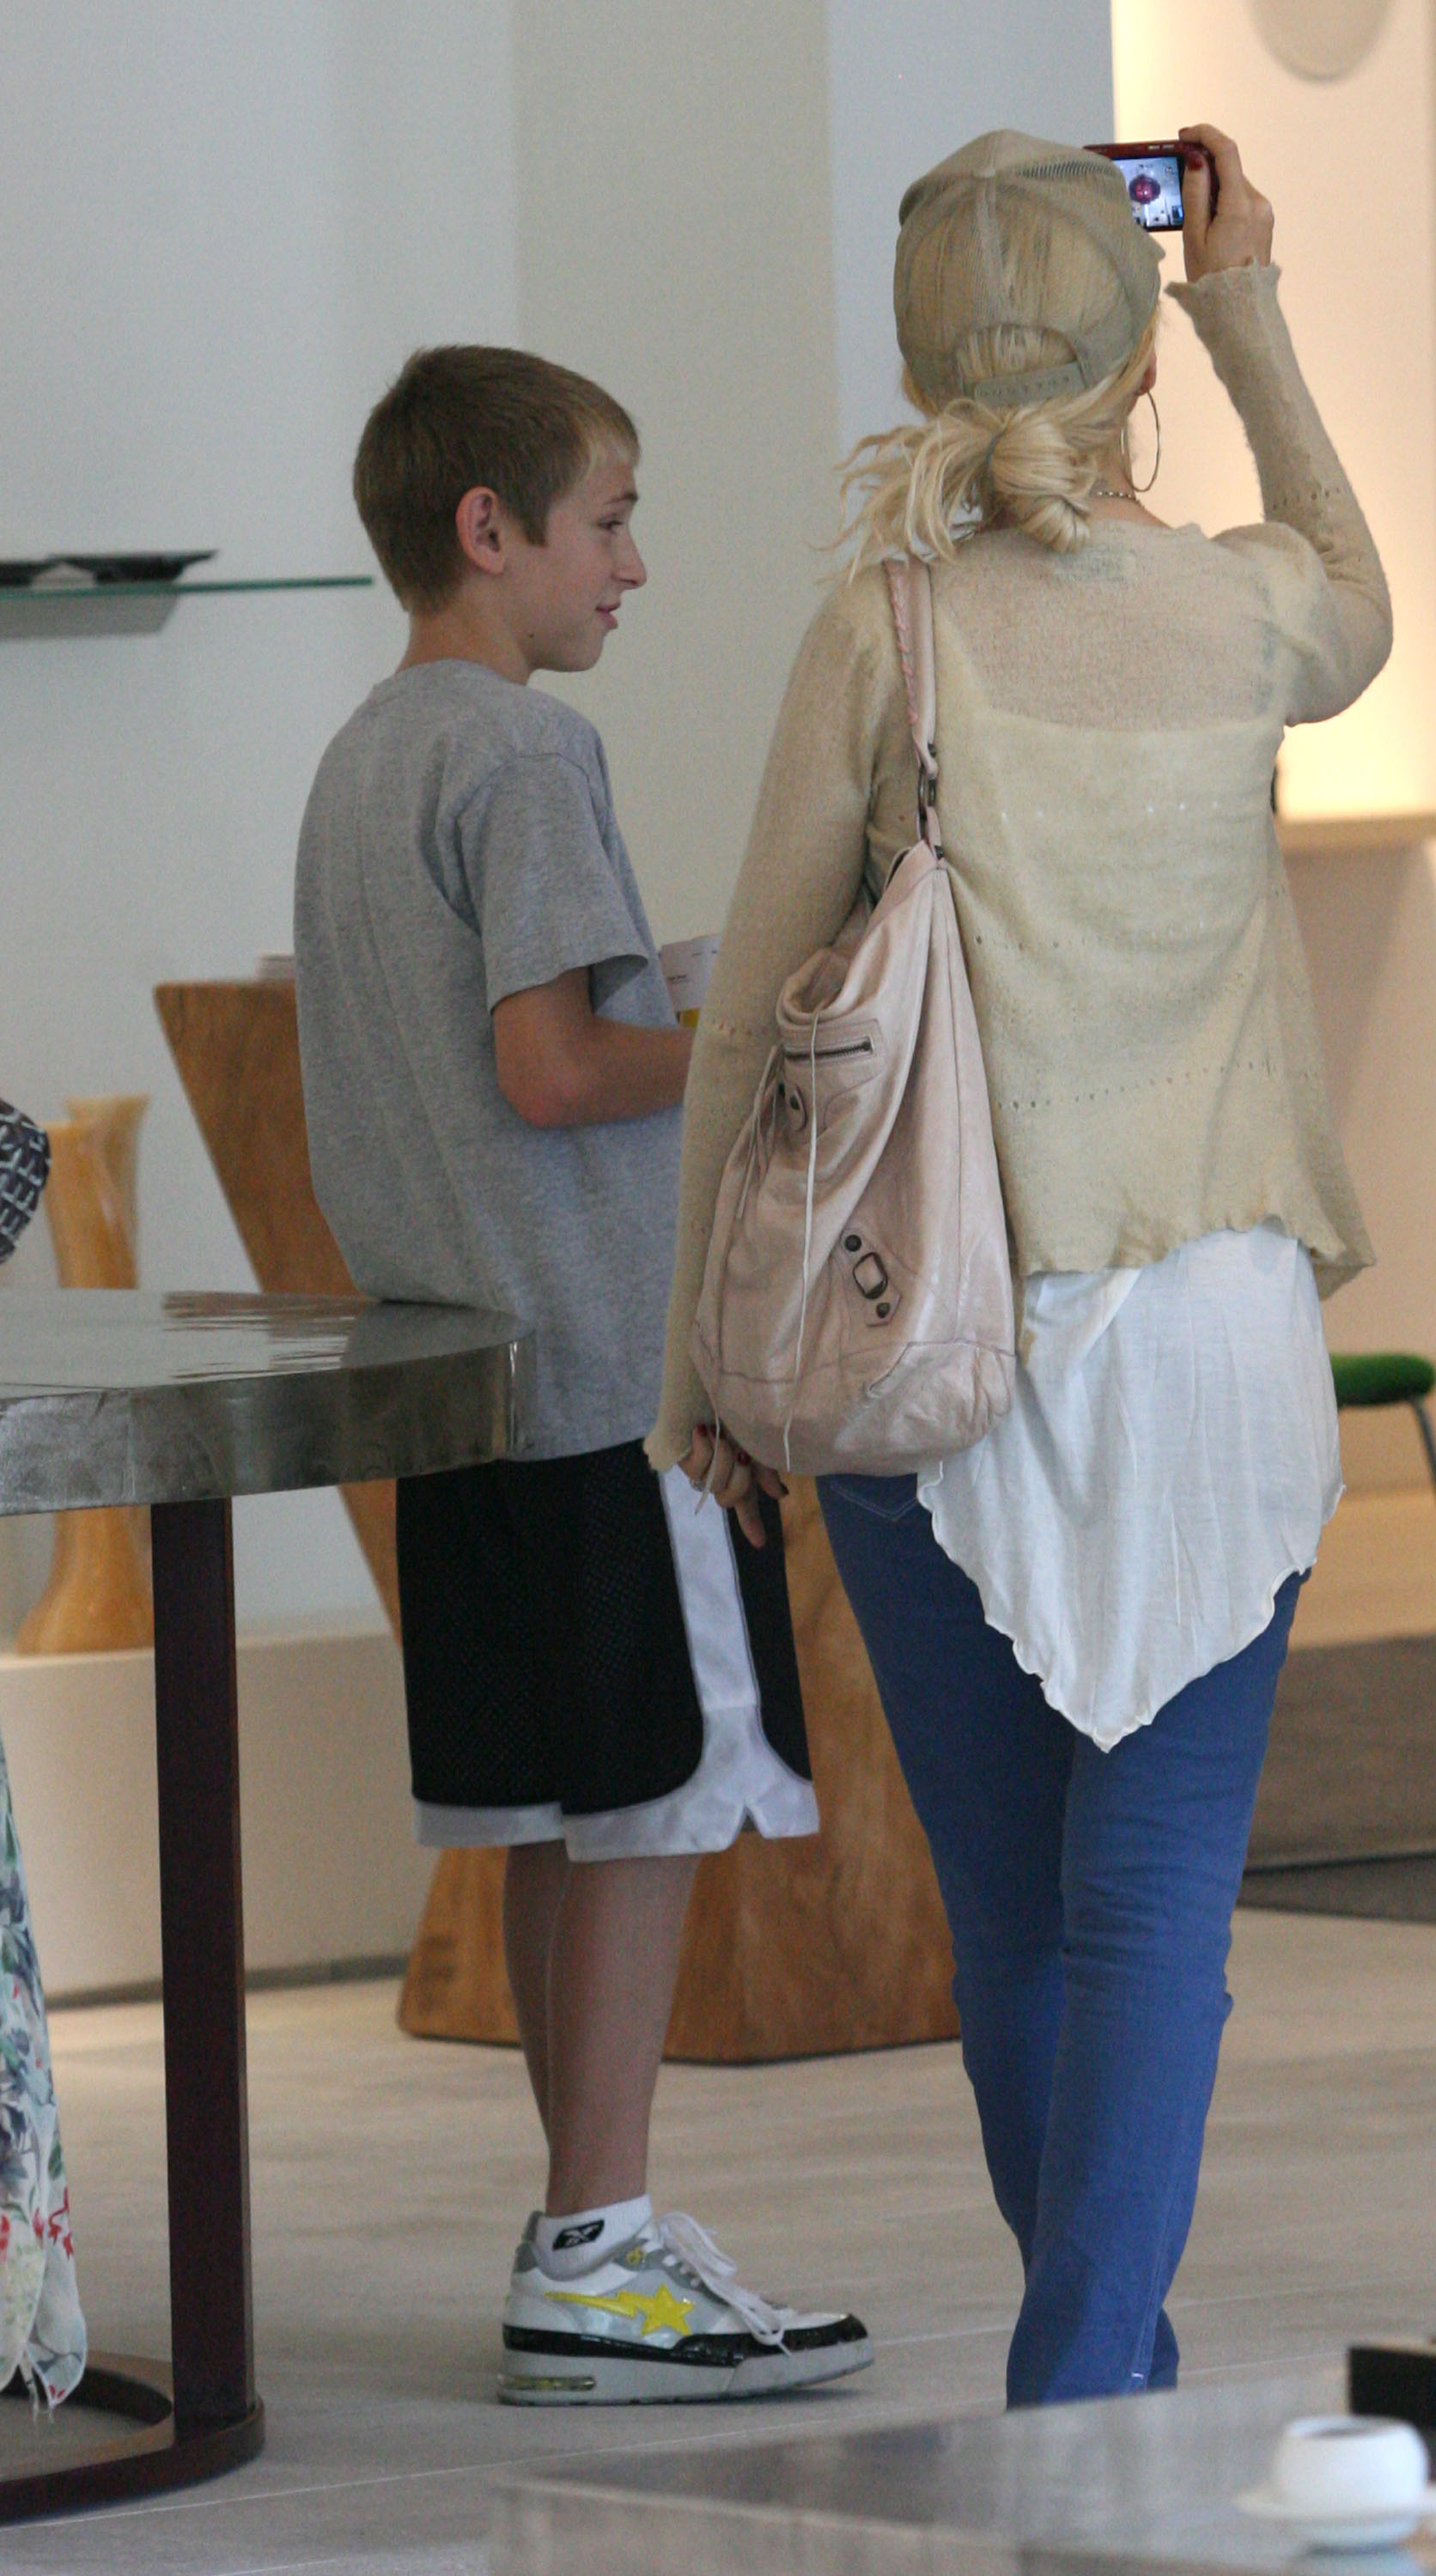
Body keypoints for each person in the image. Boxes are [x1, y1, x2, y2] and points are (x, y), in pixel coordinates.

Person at [651, 128, 1389, 2406]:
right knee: (1153, 1907)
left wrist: (697, 1356)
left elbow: (749, 1024)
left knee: (1015, 1922)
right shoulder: (1247, 614)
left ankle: (1094, 2381)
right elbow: (1359, 602)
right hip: (1218, 1346)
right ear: (1135, 353)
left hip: (936, 1347)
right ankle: (1087, 2386)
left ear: (919, 365)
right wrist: (1249, 306)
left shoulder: (880, 635)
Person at [293, 344, 869, 2404]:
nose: (633, 565)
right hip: (611, 1379)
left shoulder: (368, 754)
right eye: (608, 521)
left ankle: (585, 2236)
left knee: (558, 1814)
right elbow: (551, 1072)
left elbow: (484, 1065)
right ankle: (599, 2251)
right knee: (647, 1807)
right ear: (490, 528)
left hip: (472, 1381)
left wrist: (682, 999)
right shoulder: (526, 757)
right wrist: (776, 1038)